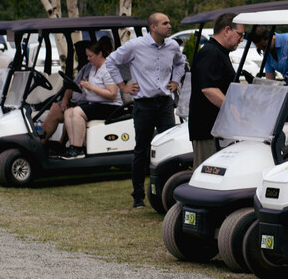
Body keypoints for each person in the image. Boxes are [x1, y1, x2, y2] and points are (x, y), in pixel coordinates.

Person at [105, 12, 186, 209]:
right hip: (144, 105)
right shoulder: (135, 46)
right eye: (165, 23)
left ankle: (169, 192)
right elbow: (111, 61)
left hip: (165, 104)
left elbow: (181, 62)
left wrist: (176, 80)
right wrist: (123, 86)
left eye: (169, 22)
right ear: (153, 27)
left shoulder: (173, 46)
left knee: (170, 147)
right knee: (142, 149)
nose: (169, 26)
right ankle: (138, 196)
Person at [188, 14, 246, 169]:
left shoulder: (219, 52)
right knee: (208, 174)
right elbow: (209, 89)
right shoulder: (210, 52)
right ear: (227, 30)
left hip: (217, 129)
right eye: (240, 34)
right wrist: (233, 111)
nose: (241, 40)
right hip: (208, 129)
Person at [60, 39, 122, 160]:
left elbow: (112, 94)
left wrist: (91, 87)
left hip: (110, 106)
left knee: (77, 112)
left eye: (90, 56)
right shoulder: (94, 68)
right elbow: (94, 89)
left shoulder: (108, 69)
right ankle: (74, 147)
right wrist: (84, 86)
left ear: (100, 54)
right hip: (96, 104)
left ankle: (78, 148)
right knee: (68, 112)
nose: (88, 59)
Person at [40, 40, 91, 146]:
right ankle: (41, 144)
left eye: (82, 53)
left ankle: (63, 144)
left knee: (71, 111)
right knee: (56, 108)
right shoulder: (85, 68)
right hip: (75, 102)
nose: (81, 56)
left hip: (88, 104)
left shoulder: (101, 68)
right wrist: (65, 99)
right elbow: (72, 85)